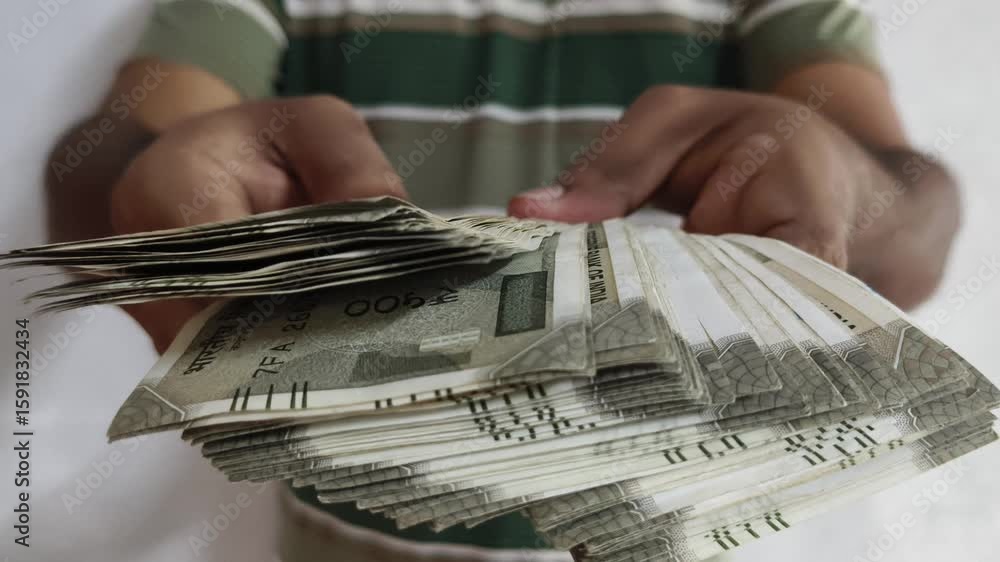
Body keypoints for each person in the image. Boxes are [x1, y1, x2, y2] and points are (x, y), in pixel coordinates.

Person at [46, 1, 961, 560]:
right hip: (341, 544)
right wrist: (160, 195)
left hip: (672, 529)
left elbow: (918, 224)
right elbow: (94, 170)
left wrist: (854, 186)